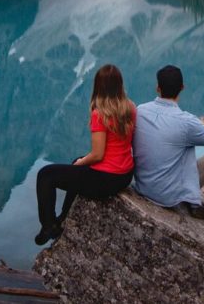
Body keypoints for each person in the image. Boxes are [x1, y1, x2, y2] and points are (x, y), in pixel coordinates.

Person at [133, 65, 204, 237]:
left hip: (143, 187)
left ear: (158, 88)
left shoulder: (140, 110)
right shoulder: (186, 122)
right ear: (182, 88)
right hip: (168, 197)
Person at [34, 64, 136, 245]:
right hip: (125, 175)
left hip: (106, 179)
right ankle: (62, 218)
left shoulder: (100, 114)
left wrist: (81, 162)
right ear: (120, 85)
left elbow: (97, 155)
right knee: (77, 163)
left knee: (45, 175)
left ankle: (48, 225)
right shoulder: (130, 107)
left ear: (98, 86)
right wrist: (79, 162)